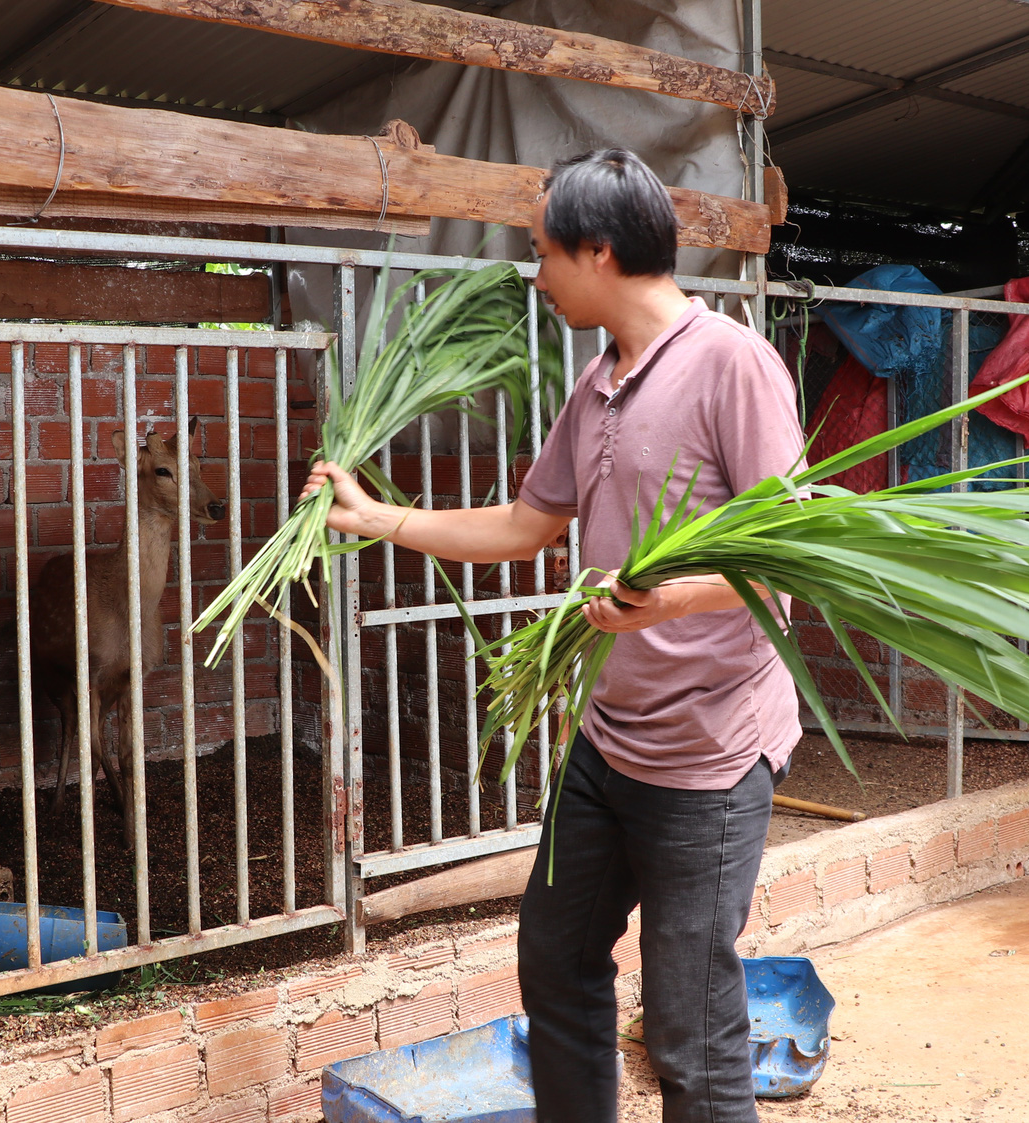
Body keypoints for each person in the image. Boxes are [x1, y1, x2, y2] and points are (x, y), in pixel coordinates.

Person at [301, 148, 804, 1123]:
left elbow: (785, 559)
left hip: (707, 752)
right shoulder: (598, 382)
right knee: (556, 961)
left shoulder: (728, 362)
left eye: (542, 254)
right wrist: (379, 519)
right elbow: (526, 524)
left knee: (689, 1027)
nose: (535, 276)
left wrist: (667, 601)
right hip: (609, 737)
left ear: (598, 251)